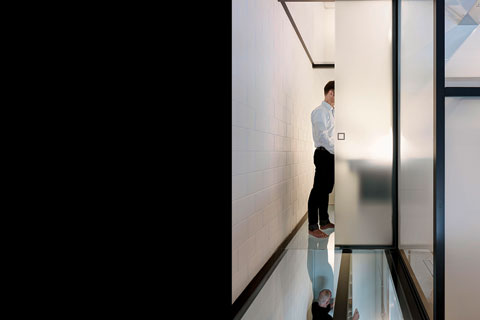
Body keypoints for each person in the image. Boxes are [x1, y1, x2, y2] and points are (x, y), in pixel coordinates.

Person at [308, 80, 336, 238]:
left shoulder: (332, 112)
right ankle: (312, 226)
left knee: (326, 188)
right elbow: (322, 137)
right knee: (318, 189)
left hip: (330, 154)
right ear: (331, 92)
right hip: (323, 153)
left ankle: (324, 221)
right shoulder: (320, 112)